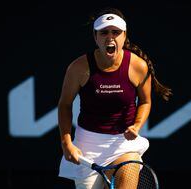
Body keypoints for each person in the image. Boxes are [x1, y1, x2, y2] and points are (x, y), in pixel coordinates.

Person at [58, 7, 172, 189]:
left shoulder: (138, 66)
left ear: (124, 36)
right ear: (95, 37)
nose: (110, 37)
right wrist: (66, 143)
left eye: (116, 32)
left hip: (123, 145)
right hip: (87, 147)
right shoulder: (78, 68)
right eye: (104, 32)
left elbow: (145, 101)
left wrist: (137, 125)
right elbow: (64, 105)